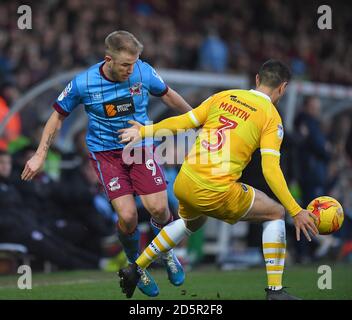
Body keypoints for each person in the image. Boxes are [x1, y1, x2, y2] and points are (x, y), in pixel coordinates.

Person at [118, 59, 319, 300]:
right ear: (283, 88)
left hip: (186, 180)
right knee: (275, 212)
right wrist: (295, 210)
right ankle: (275, 292)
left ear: (257, 79)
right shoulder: (271, 117)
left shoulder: (224, 96)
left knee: (191, 223)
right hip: (215, 189)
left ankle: (135, 268)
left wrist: (143, 131)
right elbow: (271, 169)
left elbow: (184, 121)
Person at [21, 30, 192, 296]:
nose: (130, 70)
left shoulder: (143, 72)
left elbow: (169, 95)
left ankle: (166, 254)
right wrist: (41, 153)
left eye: (134, 63)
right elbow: (57, 117)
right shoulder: (83, 83)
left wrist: (196, 119)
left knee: (159, 208)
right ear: (108, 59)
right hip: (106, 154)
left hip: (140, 146)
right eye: (125, 64)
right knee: (127, 216)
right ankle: (137, 265)